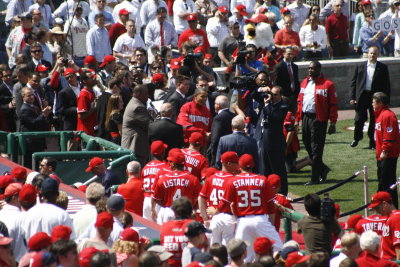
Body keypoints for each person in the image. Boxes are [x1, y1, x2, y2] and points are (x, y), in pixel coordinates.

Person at [221, 154, 283, 262]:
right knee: (279, 249)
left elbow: (226, 204)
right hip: (261, 220)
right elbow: (271, 207)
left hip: (243, 222)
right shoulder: (263, 179)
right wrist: (271, 225)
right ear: (253, 165)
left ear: (239, 166)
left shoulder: (232, 181)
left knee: (242, 257)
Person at [296, 61, 338, 185]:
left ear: (319, 69)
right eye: (309, 68)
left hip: (319, 119)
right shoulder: (304, 82)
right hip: (306, 118)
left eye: (313, 69)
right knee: (306, 142)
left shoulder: (328, 84)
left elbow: (334, 105)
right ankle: (323, 169)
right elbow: (300, 101)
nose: (310, 71)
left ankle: (314, 178)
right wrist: (297, 119)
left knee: (316, 149)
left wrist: (333, 123)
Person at [350, 46, 391, 149]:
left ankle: (372, 142)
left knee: (374, 120)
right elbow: (353, 83)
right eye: (371, 53)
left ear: (378, 55)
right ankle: (357, 138)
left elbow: (387, 85)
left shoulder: (382, 67)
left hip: (375, 97)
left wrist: (385, 100)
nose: (372, 55)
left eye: (374, 54)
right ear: (367, 54)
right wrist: (352, 97)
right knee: (359, 119)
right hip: (362, 96)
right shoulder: (360, 66)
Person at [254, 86, 288, 194]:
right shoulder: (267, 103)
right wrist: (261, 90)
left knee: (278, 170)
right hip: (263, 140)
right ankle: (267, 193)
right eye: (271, 94)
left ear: (280, 95)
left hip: (275, 143)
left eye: (275, 94)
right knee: (265, 169)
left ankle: (282, 193)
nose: (272, 96)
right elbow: (253, 95)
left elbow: (274, 118)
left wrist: (267, 105)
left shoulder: (283, 107)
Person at [152, 149, 201, 224]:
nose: (169, 163)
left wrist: (165, 206)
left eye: (170, 162)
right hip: (186, 213)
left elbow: (156, 198)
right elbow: (198, 198)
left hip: (168, 211)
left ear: (174, 164)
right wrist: (192, 208)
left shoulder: (163, 178)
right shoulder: (193, 179)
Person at [198, 151, 238, 245]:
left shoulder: (211, 178)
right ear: (229, 164)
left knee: (214, 249)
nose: (238, 165)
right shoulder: (233, 180)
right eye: (236, 163)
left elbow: (201, 198)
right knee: (228, 251)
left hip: (214, 219)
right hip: (228, 218)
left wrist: (205, 218)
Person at [373, 92, 400, 208]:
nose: (372, 104)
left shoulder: (388, 116)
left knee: (387, 182)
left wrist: (384, 150)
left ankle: (391, 207)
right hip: (382, 154)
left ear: (380, 103)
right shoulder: (380, 114)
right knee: (383, 180)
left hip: (388, 155)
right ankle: (383, 205)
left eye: (374, 101)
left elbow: (389, 136)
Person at [121, 85, 152, 167]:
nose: (147, 96)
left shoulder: (134, 103)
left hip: (135, 148)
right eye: (146, 94)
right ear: (138, 94)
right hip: (135, 149)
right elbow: (150, 126)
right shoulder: (137, 107)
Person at [159, 197, 194, 267]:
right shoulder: (194, 225)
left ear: (174, 212)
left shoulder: (165, 226)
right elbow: (203, 247)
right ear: (190, 211)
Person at [367, 191, 400, 260]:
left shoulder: (396, 218)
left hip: (392, 262)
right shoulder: (390, 217)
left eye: (377, 208)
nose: (376, 211)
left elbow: (398, 245)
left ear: (384, 204)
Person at [0, 183, 27, 261]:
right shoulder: (23, 217)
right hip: (17, 261)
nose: (24, 198)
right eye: (22, 195)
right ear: (14, 198)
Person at [207, 95, 235, 166]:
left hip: (220, 151)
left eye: (215, 103)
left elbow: (215, 138)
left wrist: (213, 154)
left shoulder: (218, 118)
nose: (214, 105)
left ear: (218, 106)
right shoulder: (233, 115)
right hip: (231, 150)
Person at [76, 69, 98, 136]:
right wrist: (94, 109)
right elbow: (81, 116)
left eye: (94, 76)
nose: (94, 78)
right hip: (85, 132)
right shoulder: (83, 95)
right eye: (91, 78)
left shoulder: (92, 92)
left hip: (92, 130)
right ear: (85, 81)